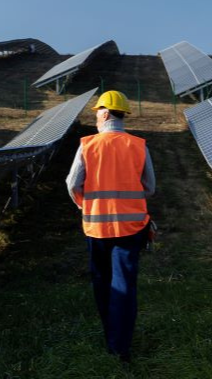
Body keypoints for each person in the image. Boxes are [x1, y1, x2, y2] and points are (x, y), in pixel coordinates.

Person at [66, 90, 155, 362]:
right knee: (125, 285)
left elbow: (72, 183)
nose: (95, 119)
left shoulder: (88, 145)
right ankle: (121, 347)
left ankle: (110, 337)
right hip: (131, 229)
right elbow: (150, 187)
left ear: (104, 113)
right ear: (123, 115)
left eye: (96, 114)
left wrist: (85, 204)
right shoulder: (139, 145)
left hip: (96, 228)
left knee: (103, 283)